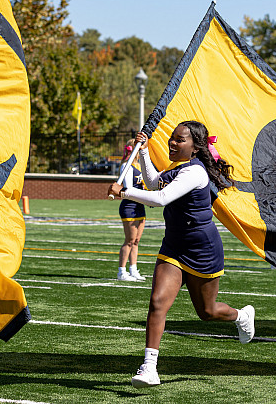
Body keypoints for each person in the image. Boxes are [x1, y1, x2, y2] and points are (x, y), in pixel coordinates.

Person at [108, 120, 255, 388]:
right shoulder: (179, 169)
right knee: (157, 303)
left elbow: (162, 197)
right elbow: (154, 183)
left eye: (180, 140)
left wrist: (125, 193)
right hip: (174, 247)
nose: (172, 143)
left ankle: (241, 316)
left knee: (207, 312)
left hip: (202, 250)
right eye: (172, 139)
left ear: (196, 147)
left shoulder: (195, 173)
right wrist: (143, 150)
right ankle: (149, 367)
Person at [117, 140, 147, 281]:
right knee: (129, 240)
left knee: (136, 241)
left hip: (139, 205)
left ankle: (133, 270)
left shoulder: (140, 166)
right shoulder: (126, 165)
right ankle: (121, 272)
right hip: (129, 206)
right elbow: (128, 188)